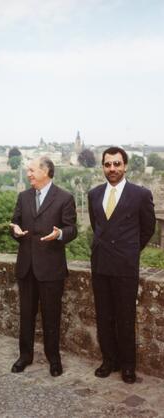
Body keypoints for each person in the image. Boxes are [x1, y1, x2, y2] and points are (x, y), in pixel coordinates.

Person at [88, 146, 156, 384]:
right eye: (108, 164)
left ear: (125, 166)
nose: (112, 169)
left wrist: (129, 250)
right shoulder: (94, 194)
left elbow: (148, 228)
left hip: (125, 267)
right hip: (100, 265)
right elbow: (96, 226)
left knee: (125, 318)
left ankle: (128, 366)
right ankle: (109, 361)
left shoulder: (140, 194)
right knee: (104, 316)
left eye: (117, 164)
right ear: (103, 167)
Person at [10, 156, 77, 377]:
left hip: (51, 269)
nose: (28, 174)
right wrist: (15, 231)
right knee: (26, 315)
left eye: (31, 170)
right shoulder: (23, 196)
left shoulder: (65, 198)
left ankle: (54, 359)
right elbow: (15, 222)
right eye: (28, 170)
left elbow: (72, 229)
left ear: (46, 171)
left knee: (52, 316)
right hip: (27, 267)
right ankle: (25, 356)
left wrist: (59, 234)